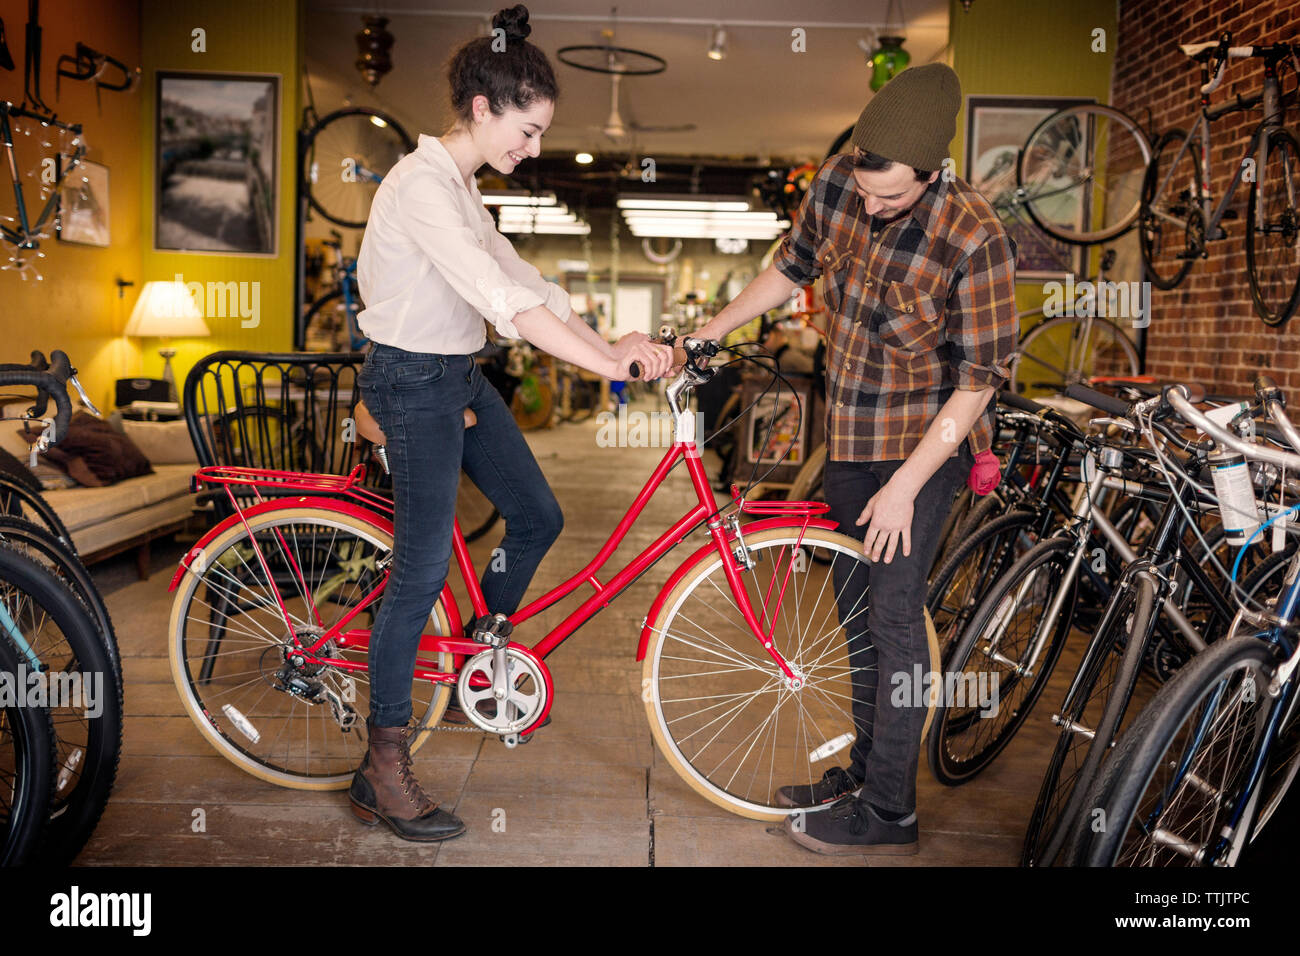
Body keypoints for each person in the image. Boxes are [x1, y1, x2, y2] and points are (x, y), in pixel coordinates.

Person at [347, 3, 673, 842]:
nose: (533, 150)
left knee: (537, 516)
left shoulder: (460, 188)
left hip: (455, 372)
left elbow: (517, 275)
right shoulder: (421, 187)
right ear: (483, 109)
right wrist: (607, 366)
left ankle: (472, 674)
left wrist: (614, 340)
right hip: (410, 383)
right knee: (417, 578)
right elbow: (504, 303)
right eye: (526, 132)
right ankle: (382, 766)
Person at [694, 63, 1018, 855]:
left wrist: (907, 487)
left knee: (896, 620)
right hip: (847, 436)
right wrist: (709, 330)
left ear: (933, 172)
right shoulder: (843, 183)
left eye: (892, 197)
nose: (871, 206)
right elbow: (790, 267)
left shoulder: (975, 236)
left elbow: (977, 384)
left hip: (925, 450)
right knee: (854, 617)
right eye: (866, 190)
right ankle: (865, 772)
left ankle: (890, 814)